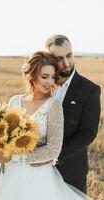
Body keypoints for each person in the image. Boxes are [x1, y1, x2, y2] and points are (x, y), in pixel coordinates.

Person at [0, 51, 94, 200]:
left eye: (53, 77)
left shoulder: (53, 105)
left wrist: (13, 158)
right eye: (44, 76)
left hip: (37, 177)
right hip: (8, 175)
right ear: (32, 75)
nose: (50, 82)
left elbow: (53, 150)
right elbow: (5, 135)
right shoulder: (15, 101)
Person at [45, 35, 101, 193]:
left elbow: (88, 133)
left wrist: (53, 156)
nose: (66, 63)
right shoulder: (42, 86)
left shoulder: (90, 90)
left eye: (69, 55)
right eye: (59, 58)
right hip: (38, 172)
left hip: (71, 172)